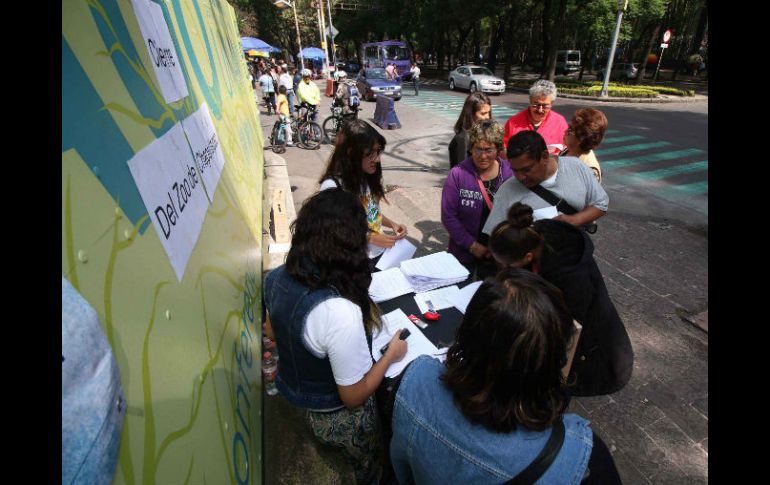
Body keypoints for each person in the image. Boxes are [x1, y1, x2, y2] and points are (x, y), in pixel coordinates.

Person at [390, 268, 623, 484]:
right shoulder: (582, 461)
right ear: (555, 359)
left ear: (466, 333)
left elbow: (401, 469)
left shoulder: (416, 380)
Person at [263, 188, 409, 485]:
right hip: (331, 416)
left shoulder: (276, 277)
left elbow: (272, 332)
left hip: (292, 395)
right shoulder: (339, 311)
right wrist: (391, 355)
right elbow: (353, 396)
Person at [488, 203, 634, 397]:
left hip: (596, 355)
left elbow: (568, 332)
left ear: (527, 257)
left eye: (507, 265)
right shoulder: (535, 236)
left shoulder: (570, 278)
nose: (504, 269)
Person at [318, 119, 408, 270]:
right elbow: (332, 232)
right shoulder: (333, 186)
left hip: (380, 256)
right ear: (351, 153)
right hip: (355, 262)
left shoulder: (367, 177)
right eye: (370, 154)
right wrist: (370, 237)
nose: (377, 159)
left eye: (378, 151)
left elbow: (371, 211)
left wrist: (392, 224)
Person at [482, 130, 608, 235]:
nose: (520, 177)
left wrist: (575, 220)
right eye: (515, 170)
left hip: (576, 258)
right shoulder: (507, 190)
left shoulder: (576, 167)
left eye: (526, 169)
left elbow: (601, 203)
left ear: (545, 157)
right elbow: (495, 236)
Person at [441, 120, 513, 278]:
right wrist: (472, 245)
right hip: (462, 253)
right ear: (471, 148)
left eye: (489, 149)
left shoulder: (510, 174)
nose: (483, 156)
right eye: (478, 149)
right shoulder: (457, 174)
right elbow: (448, 216)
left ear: (498, 149)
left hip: (499, 258)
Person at [503, 79, 568, 154]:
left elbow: (567, 149)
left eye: (545, 106)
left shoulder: (560, 122)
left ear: (551, 104)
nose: (540, 110)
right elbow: (504, 149)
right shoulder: (513, 122)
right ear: (530, 101)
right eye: (536, 105)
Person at [560, 108, 608, 184]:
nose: (565, 131)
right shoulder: (568, 151)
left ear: (581, 138)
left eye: (570, 130)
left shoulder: (589, 169)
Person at [448, 92, 492, 168]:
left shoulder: (483, 131)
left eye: (489, 112)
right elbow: (462, 171)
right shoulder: (463, 139)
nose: (487, 117)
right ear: (471, 114)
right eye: (483, 113)